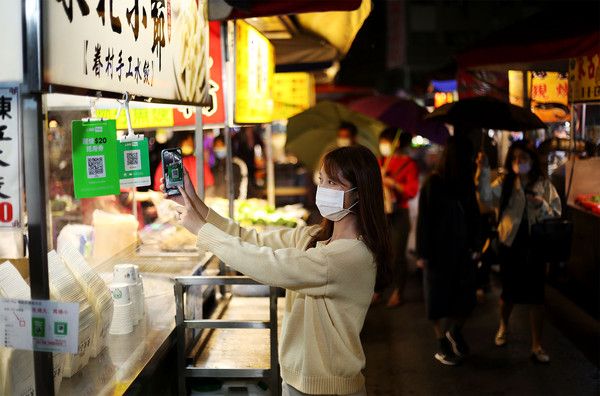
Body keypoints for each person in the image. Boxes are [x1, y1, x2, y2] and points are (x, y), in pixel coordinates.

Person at [165, 145, 392, 395]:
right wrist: (196, 204)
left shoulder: (350, 256)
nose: (323, 189)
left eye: (332, 182)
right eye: (321, 180)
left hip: (329, 388)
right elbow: (249, 239)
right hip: (297, 382)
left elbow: (271, 266)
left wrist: (202, 231)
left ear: (359, 192)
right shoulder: (314, 236)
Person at [476, 138, 561, 364]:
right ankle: (504, 325)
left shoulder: (544, 185)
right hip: (510, 244)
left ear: (532, 160)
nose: (518, 162)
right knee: (509, 293)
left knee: (537, 296)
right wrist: (483, 169)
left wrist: (540, 205)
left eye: (522, 158)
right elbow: (485, 197)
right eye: (514, 158)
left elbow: (556, 213)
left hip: (536, 245)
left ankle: (537, 345)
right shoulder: (504, 182)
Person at [416, 135, 483, 366]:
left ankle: (455, 331)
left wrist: (477, 245)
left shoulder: (466, 182)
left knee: (465, 298)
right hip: (437, 252)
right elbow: (424, 220)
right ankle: (440, 343)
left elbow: (475, 216)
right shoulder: (433, 183)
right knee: (437, 300)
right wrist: (422, 254)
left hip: (463, 251)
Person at [372, 128, 419, 307]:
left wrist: (394, 184)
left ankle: (398, 292)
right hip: (381, 211)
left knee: (398, 254)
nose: (382, 146)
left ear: (396, 143)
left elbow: (412, 191)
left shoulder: (409, 165)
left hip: (400, 212)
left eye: (384, 141)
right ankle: (378, 290)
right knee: (380, 251)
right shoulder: (381, 161)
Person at [206, 134, 248, 199]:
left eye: (221, 145)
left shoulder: (238, 164)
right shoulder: (214, 168)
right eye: (216, 146)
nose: (218, 149)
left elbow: (243, 186)